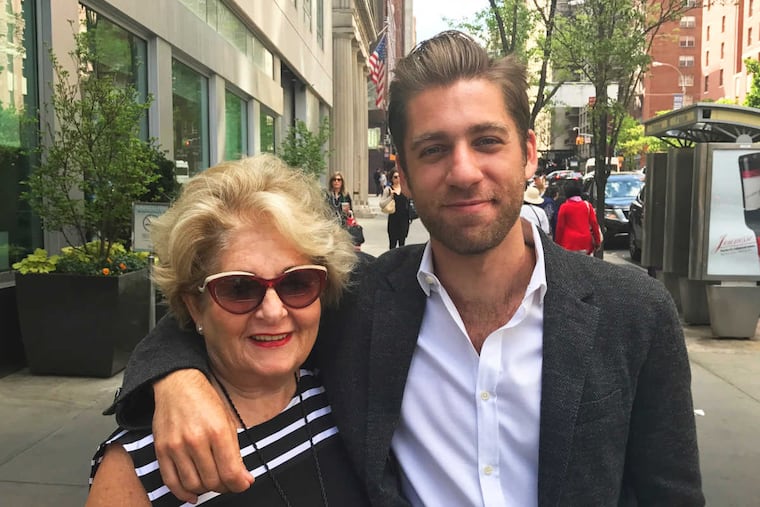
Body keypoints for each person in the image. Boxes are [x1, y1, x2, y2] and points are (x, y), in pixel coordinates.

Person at [109, 31, 703, 506]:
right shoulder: (365, 299)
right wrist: (176, 379)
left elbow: (671, 494)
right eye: (434, 148)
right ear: (404, 174)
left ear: (527, 153)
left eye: (487, 141)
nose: (464, 171)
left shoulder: (635, 312)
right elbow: (231, 300)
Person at [86, 155, 368, 506]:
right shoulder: (146, 462)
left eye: (297, 283)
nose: (273, 310)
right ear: (193, 305)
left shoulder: (348, 391)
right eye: (239, 288)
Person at [554, 180, 603, 255]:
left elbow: (560, 228)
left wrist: (557, 244)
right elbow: (594, 224)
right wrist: (597, 241)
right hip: (585, 243)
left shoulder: (564, 207)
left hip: (568, 243)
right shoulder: (587, 206)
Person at [379, 167, 412, 249]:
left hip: (404, 219)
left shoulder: (405, 189)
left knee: (402, 242)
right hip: (393, 219)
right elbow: (382, 204)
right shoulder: (388, 189)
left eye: (399, 176)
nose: (398, 179)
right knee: (392, 243)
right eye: (395, 177)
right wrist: (390, 197)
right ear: (391, 178)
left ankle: (401, 261)